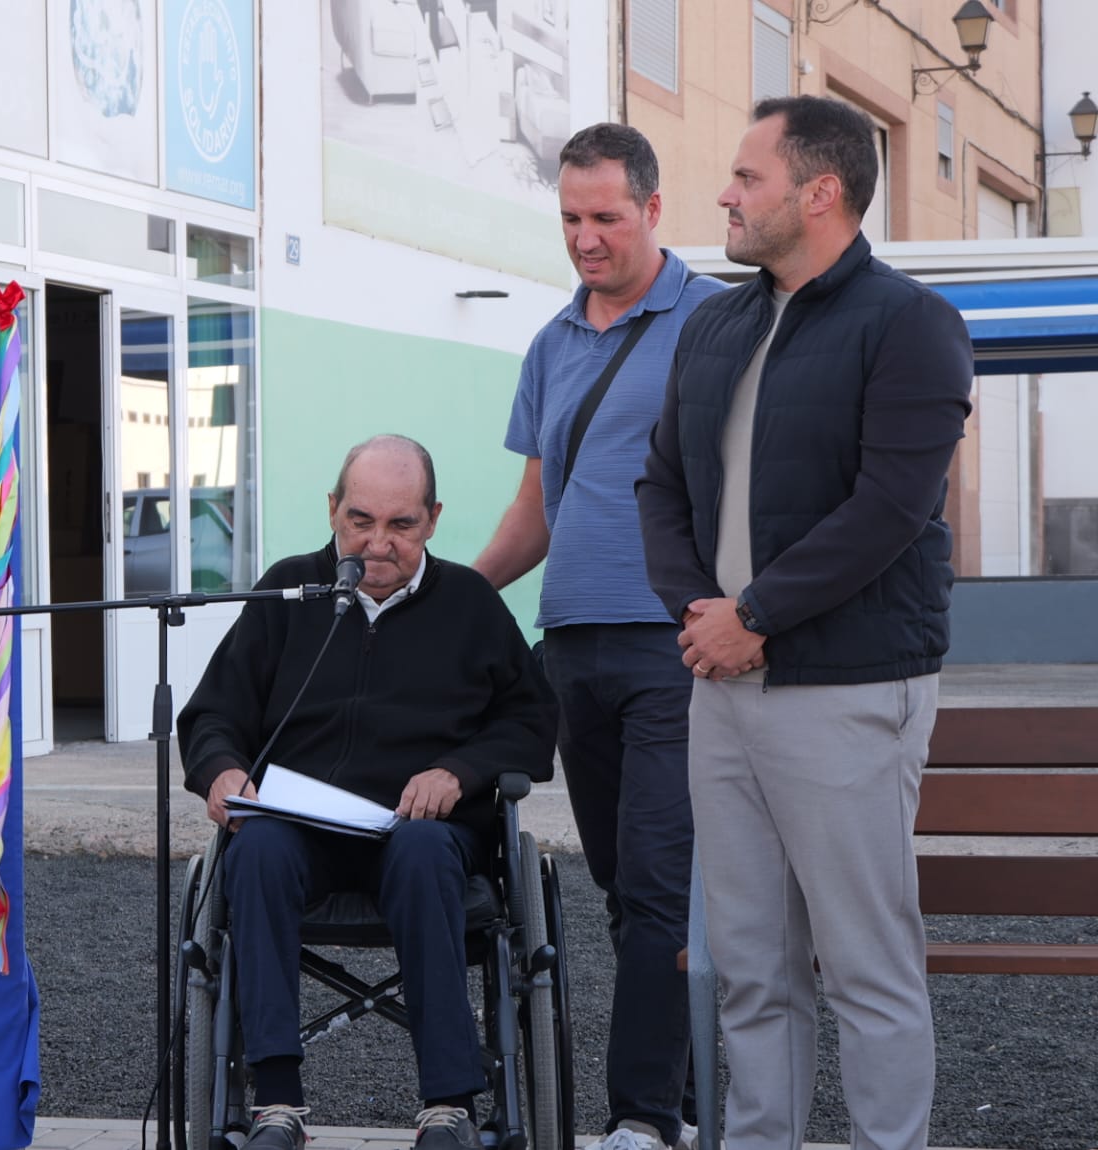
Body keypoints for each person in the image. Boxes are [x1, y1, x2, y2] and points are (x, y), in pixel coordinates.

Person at [635, 97, 972, 1150]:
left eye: (745, 177)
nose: (725, 195)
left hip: (845, 685)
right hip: (721, 684)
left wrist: (755, 615)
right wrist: (701, 616)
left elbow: (888, 508)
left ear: (817, 192)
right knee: (747, 965)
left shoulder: (909, 323)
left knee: (865, 966)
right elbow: (658, 485)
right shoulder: (714, 321)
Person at [180, 435, 558, 1150]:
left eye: (401, 524)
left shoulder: (471, 604)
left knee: (419, 851)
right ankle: (277, 1106)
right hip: (301, 830)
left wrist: (460, 772)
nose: (377, 543)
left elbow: (532, 722)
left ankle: (448, 1107)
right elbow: (213, 713)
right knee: (254, 848)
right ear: (332, 509)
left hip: (424, 835)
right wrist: (222, 768)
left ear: (434, 518)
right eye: (360, 520)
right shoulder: (289, 591)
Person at [472, 123, 723, 1150]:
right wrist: (448, 591)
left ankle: (639, 1117)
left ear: (652, 209)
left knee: (662, 881)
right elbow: (536, 512)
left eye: (604, 217)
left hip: (672, 647)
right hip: (570, 647)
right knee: (623, 889)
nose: (583, 237)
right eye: (569, 217)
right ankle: (693, 1081)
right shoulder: (549, 342)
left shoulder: (717, 321)